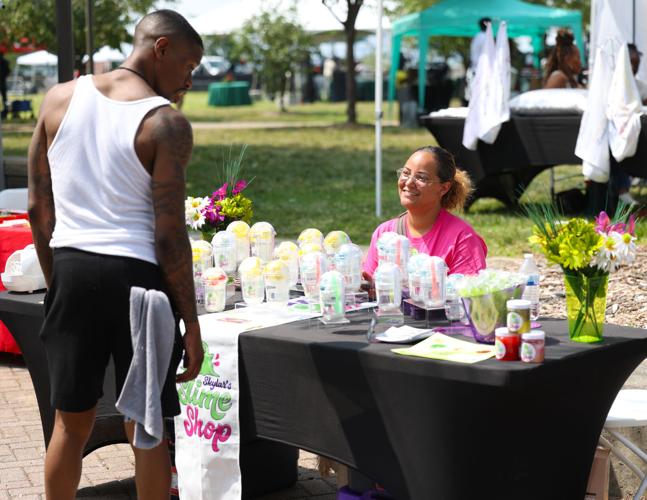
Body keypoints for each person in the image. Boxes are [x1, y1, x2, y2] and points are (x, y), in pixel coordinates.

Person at [27, 9, 204, 500]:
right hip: (140, 283)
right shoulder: (166, 123)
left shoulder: (59, 98)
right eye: (188, 65)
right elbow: (169, 236)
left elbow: (38, 207)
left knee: (70, 425)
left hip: (73, 270)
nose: (189, 80)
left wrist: (58, 281)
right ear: (161, 48)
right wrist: (190, 321)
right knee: (148, 429)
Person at [363, 146, 487, 280]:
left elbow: (469, 296)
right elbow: (368, 290)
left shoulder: (462, 238)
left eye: (421, 178)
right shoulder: (385, 234)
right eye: (405, 173)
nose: (409, 182)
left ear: (444, 188)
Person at [0, 51, 10, 118]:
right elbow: (8, 71)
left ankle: (5, 111)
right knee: (5, 99)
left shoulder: (5, 62)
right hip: (3, 82)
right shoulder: (5, 62)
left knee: (5, 99)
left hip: (2, 82)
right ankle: (5, 111)